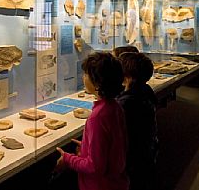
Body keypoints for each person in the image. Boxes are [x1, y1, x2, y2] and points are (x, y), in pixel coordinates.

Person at [54, 52, 128, 190]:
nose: (83, 77)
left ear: (98, 81)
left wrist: (67, 159)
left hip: (99, 185)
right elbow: (111, 146)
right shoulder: (114, 106)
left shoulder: (98, 117)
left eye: (86, 74)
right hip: (116, 181)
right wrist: (87, 147)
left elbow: (95, 167)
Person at [117, 52, 158, 190]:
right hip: (146, 154)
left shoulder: (126, 103)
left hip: (133, 160)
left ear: (127, 77)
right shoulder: (145, 91)